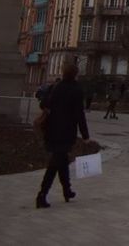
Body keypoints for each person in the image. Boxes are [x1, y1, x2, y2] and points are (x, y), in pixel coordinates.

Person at [35, 61, 91, 208]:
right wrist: (85, 135)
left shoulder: (55, 87)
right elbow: (79, 114)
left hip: (52, 129)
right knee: (55, 163)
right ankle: (42, 194)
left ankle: (67, 190)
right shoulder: (76, 90)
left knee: (61, 160)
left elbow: (43, 103)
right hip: (66, 131)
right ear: (75, 74)